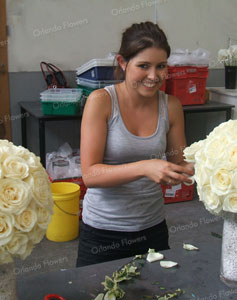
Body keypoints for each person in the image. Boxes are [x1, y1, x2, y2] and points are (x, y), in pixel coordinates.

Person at [76, 21, 194, 267]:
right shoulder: (102, 102)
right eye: (143, 66)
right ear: (122, 62)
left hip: (152, 228)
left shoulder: (170, 106)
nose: (154, 76)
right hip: (102, 233)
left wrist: (197, 167)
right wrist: (145, 167)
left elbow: (178, 163)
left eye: (161, 66)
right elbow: (90, 174)